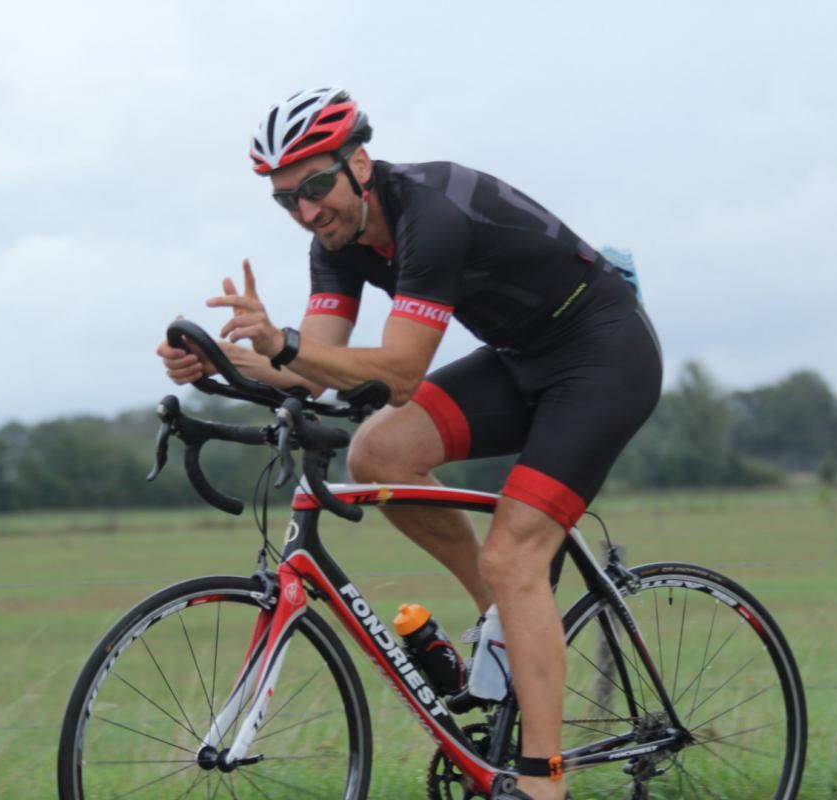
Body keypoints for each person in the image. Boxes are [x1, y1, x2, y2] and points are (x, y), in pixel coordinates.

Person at [158, 87, 662, 800]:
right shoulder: (333, 245)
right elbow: (314, 368)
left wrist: (282, 345)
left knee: (516, 552)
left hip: (603, 356)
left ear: (359, 162)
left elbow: (398, 371)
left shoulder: (431, 213)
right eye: (286, 200)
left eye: (317, 187)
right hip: (521, 359)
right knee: (377, 455)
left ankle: (544, 781)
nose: (306, 211)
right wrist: (220, 362)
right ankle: (510, 619)